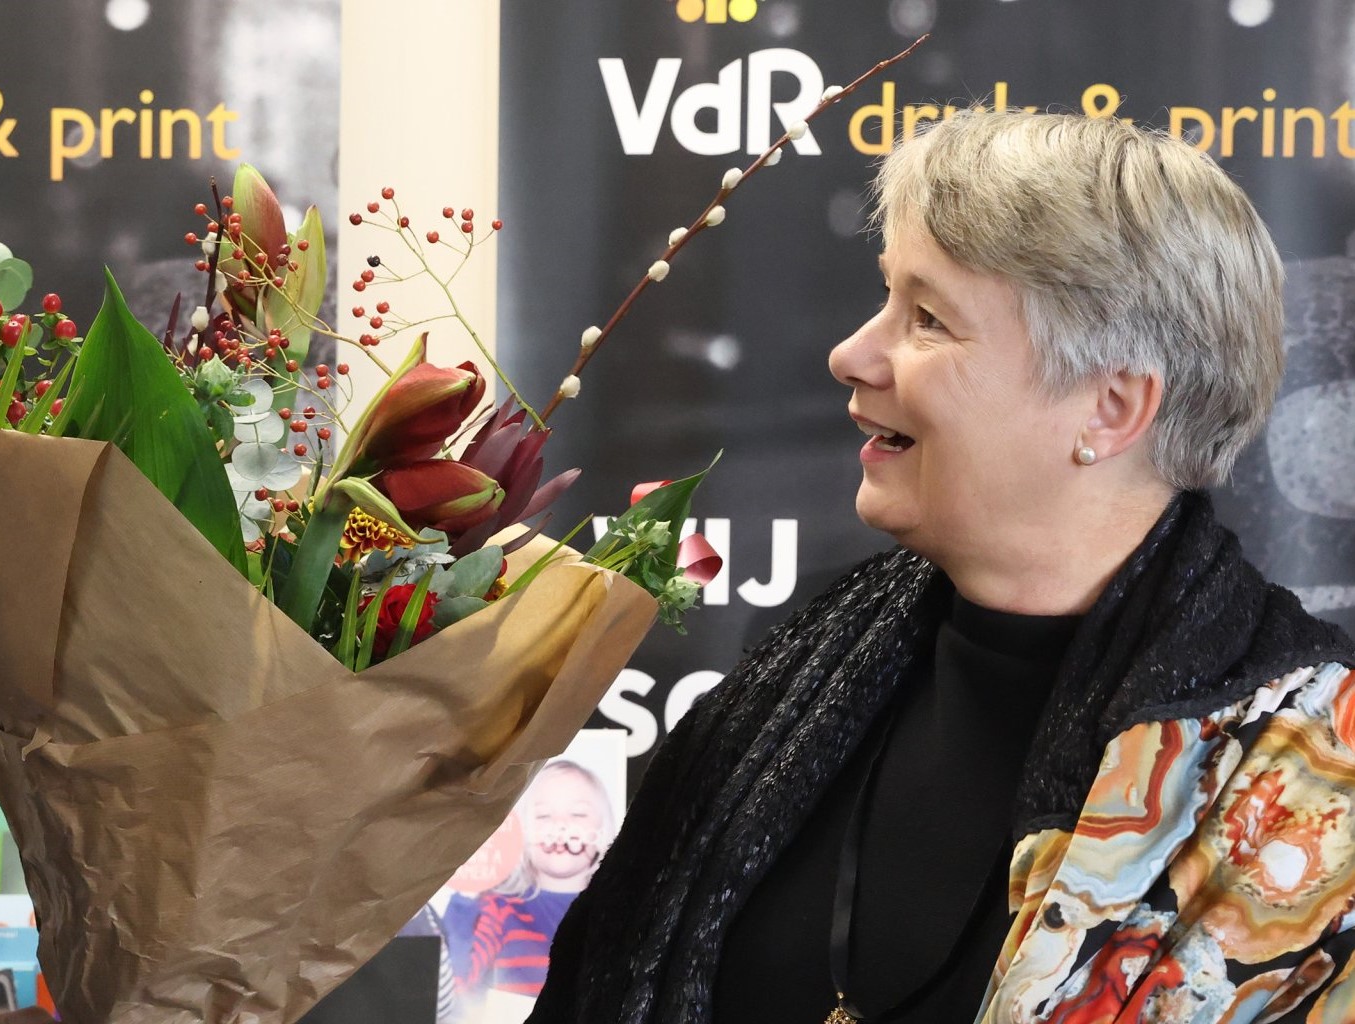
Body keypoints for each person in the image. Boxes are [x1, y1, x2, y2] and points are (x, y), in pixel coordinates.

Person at [530, 110, 1355, 1023]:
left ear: (1109, 408)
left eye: (927, 319)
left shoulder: (1316, 788)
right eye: (885, 299)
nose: (850, 355)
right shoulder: (794, 682)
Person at [449, 761, 615, 1020]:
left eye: (578, 814)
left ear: (604, 827)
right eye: (543, 816)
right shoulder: (498, 908)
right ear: (522, 830)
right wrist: (466, 897)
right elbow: (460, 983)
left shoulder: (615, 911)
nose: (560, 826)